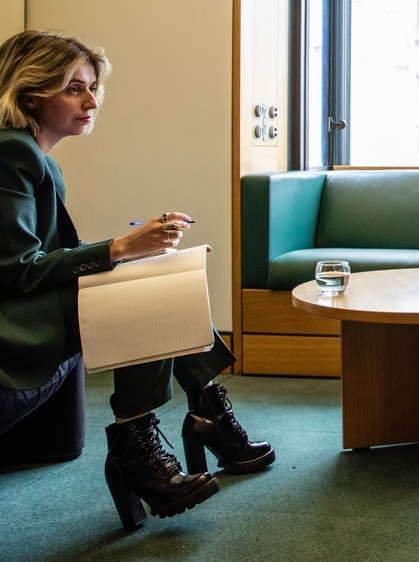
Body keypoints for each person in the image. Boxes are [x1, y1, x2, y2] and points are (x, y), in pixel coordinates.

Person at [0, 30, 275, 530]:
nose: (92, 101)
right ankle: (146, 446)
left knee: (160, 272)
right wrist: (119, 249)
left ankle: (196, 418)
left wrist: (129, 249)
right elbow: (13, 271)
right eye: (74, 88)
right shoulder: (11, 155)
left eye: (93, 88)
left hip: (29, 304)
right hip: (12, 321)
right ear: (30, 94)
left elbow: (48, 257)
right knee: (151, 289)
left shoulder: (37, 157)